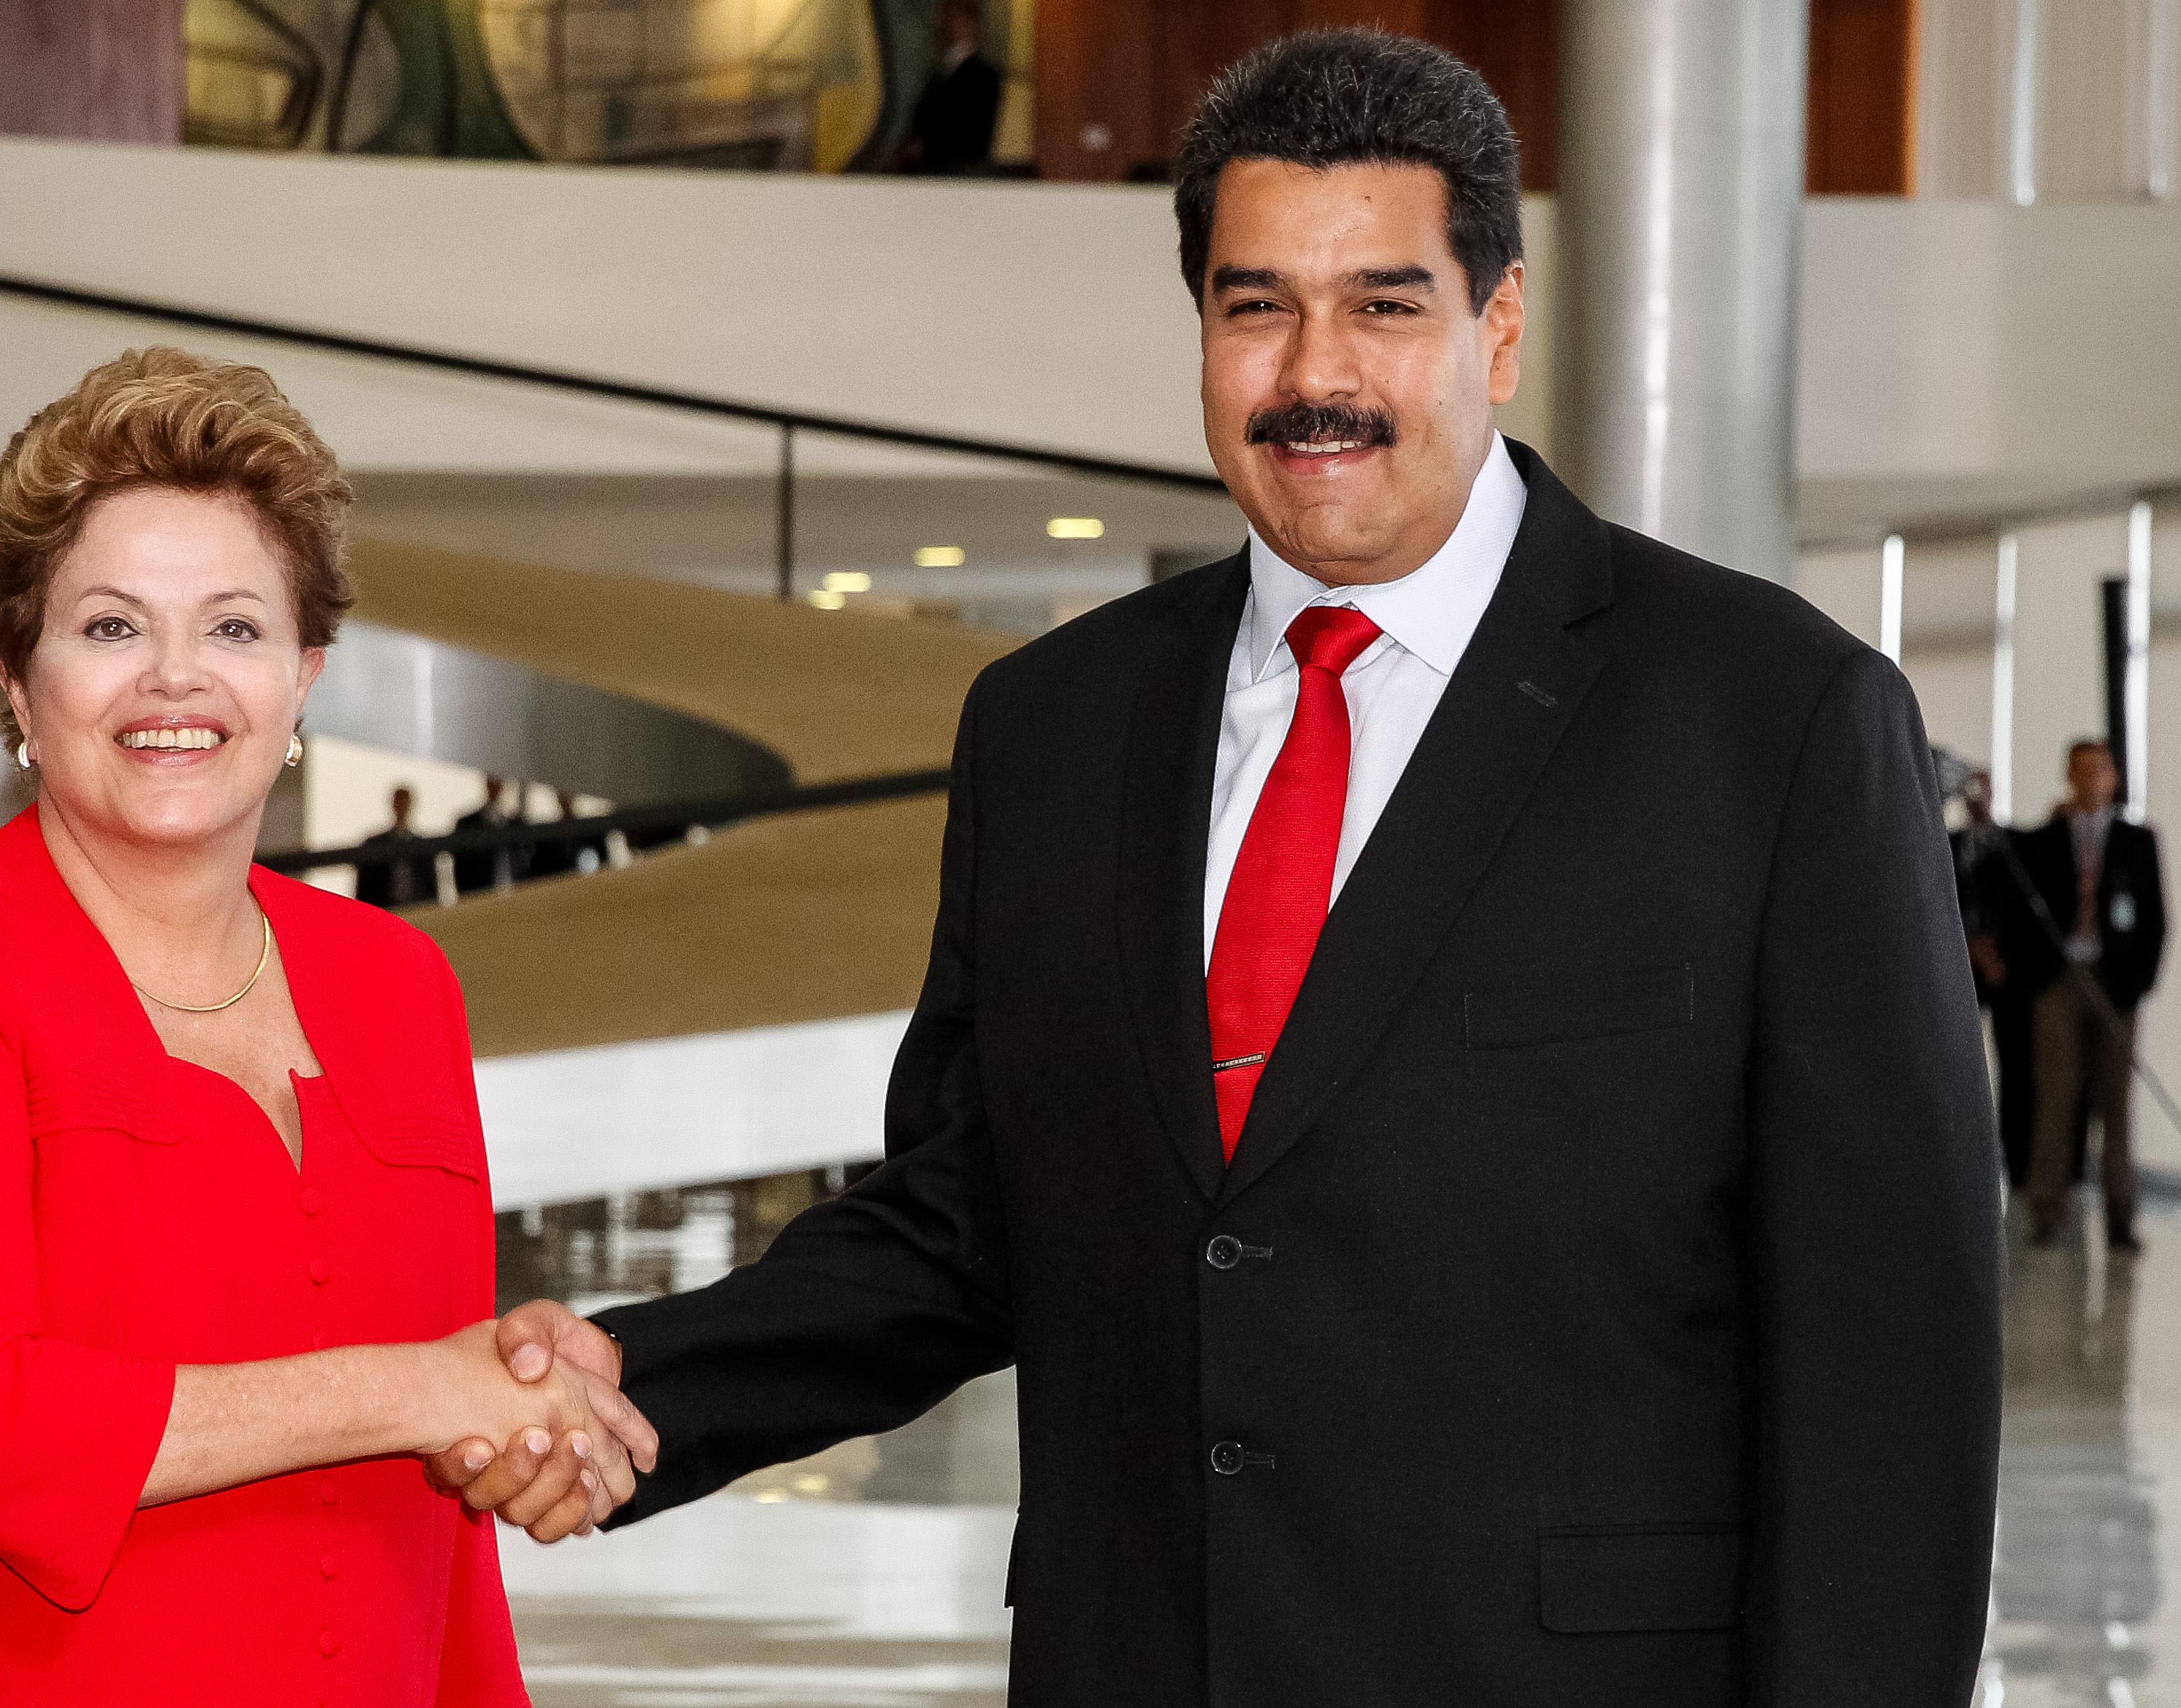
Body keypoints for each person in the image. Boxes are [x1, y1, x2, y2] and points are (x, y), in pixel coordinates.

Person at [442, 29, 2002, 1704]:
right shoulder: (1052, 725)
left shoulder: (1764, 720)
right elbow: (968, 1217)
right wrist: (625, 1377)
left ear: (1495, 322)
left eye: (1383, 304)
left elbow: (1885, 1362)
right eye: (1253, 304)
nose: (1310, 369)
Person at [0, 347, 652, 1707]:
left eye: (237, 628)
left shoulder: (399, 985)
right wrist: (431, 1390)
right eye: (111, 626)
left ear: (307, 675)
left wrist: (511, 1407)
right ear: (16, 677)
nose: (177, 680)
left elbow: (435, 1507)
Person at [1984, 740, 2167, 1250]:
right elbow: (2010, 885)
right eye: (2083, 771)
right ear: (2070, 776)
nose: (2092, 779)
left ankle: (2120, 1216)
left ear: (2114, 778)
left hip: (2115, 986)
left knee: (2116, 1102)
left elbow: (2155, 920)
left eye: (2101, 770)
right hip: (2060, 981)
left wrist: (2136, 985)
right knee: (2055, 1096)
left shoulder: (2137, 840)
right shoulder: (2048, 838)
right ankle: (2048, 1208)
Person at [1954, 768, 2034, 1184]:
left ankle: (2016, 1165)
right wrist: (1966, 947)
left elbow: (2025, 909)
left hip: (2005, 970)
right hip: (1959, 964)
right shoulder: (1946, 844)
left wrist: (1996, 952)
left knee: (2017, 1068)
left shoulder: (2014, 846)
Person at [894, 0, 1001, 175]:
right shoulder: (937, 74)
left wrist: (927, 146)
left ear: (972, 24)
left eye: (957, 18)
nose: (950, 25)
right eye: (947, 18)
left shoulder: (984, 76)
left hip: (960, 174)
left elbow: (975, 133)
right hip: (929, 171)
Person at [353, 783, 439, 909]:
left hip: (417, 910)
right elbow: (365, 889)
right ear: (393, 804)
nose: (402, 805)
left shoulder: (423, 846)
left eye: (404, 801)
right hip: (384, 911)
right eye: (399, 801)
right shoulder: (375, 845)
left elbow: (431, 888)